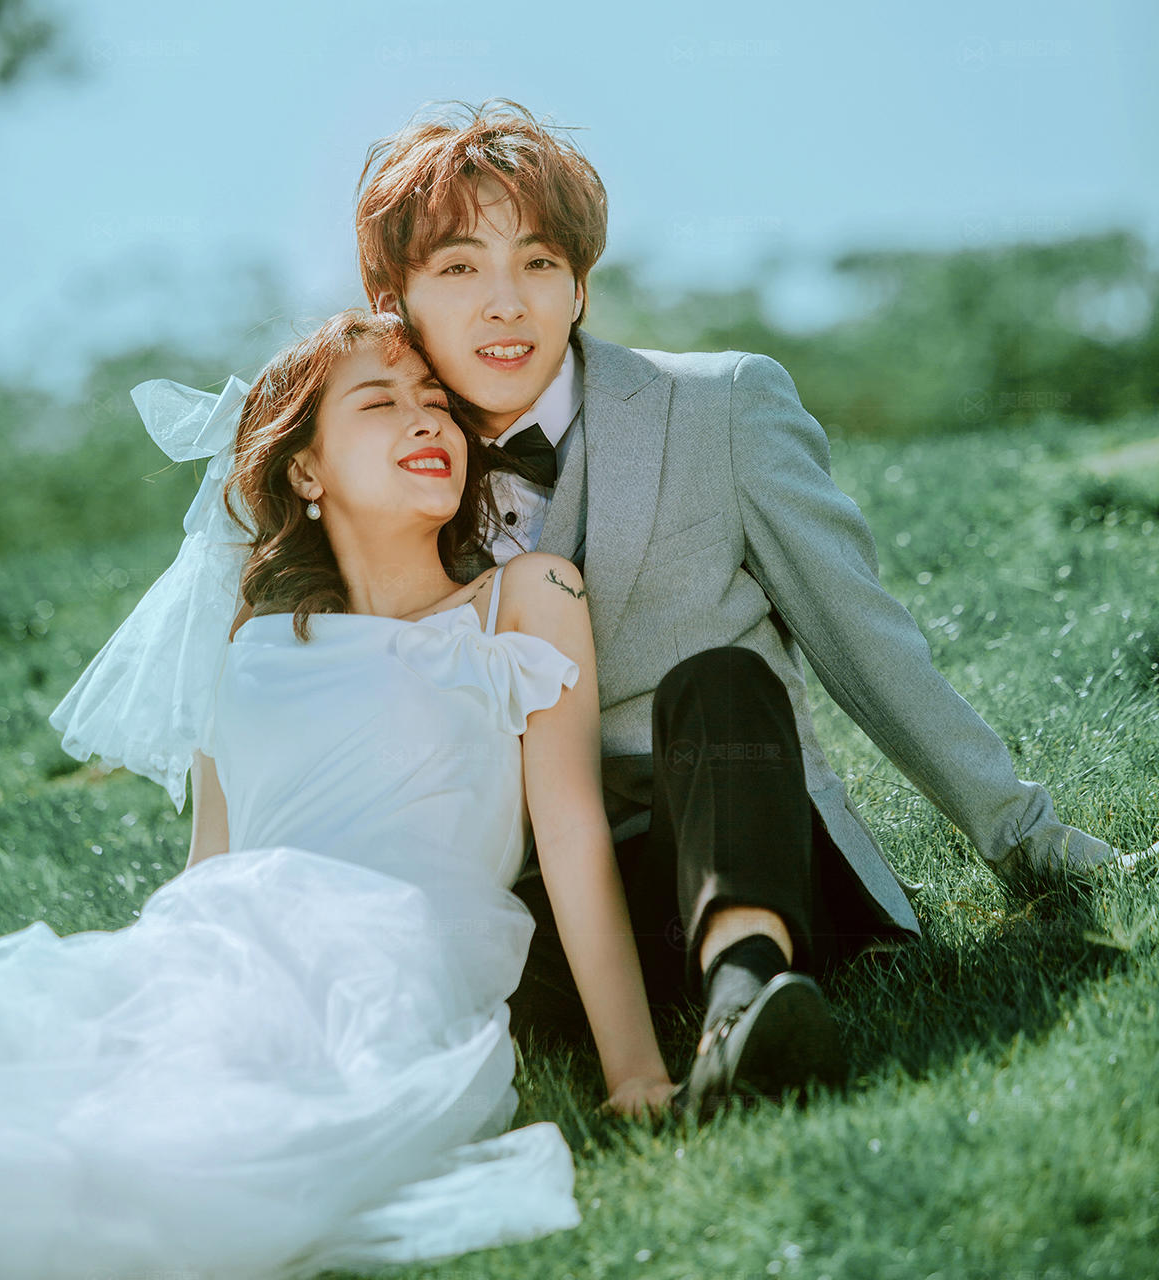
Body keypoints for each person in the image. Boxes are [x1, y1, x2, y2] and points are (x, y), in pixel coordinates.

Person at [349, 98, 1155, 1121]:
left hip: (768, 858)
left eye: (538, 262)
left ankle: (748, 1002)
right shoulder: (378, 475)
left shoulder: (719, 406)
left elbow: (866, 641)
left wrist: (1023, 837)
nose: (505, 303)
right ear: (394, 301)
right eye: (461, 267)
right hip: (550, 912)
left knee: (721, 682)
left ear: (580, 284)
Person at [0, 310, 677, 1280]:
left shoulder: (525, 596)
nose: (427, 420)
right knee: (2, 1095)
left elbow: (572, 833)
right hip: (219, 943)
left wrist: (635, 1070)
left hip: (386, 964)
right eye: (380, 403)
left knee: (167, 1172)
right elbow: (206, 865)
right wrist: (152, 974)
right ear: (305, 470)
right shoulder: (244, 641)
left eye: (436, 402)